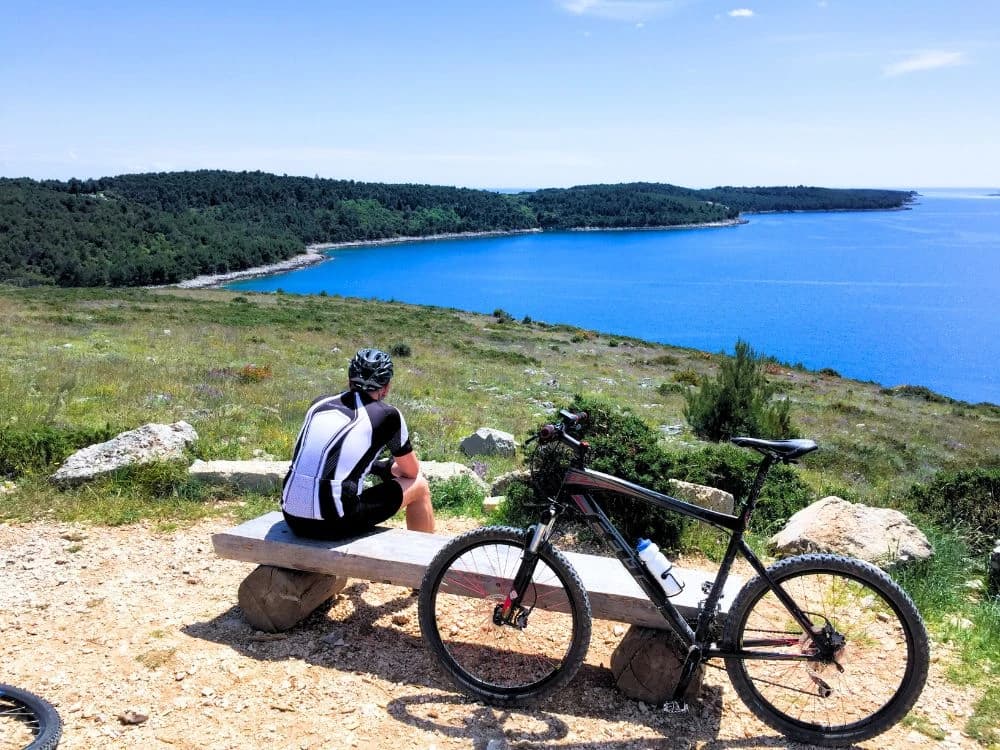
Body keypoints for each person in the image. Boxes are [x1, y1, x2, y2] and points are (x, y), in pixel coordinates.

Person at [280, 348, 434, 540]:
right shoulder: (387, 415)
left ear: (349, 380)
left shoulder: (319, 404)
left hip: (292, 516)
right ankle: (427, 561)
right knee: (419, 485)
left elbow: (331, 459)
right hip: (336, 523)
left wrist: (378, 467)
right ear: (386, 387)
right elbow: (411, 472)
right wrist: (386, 468)